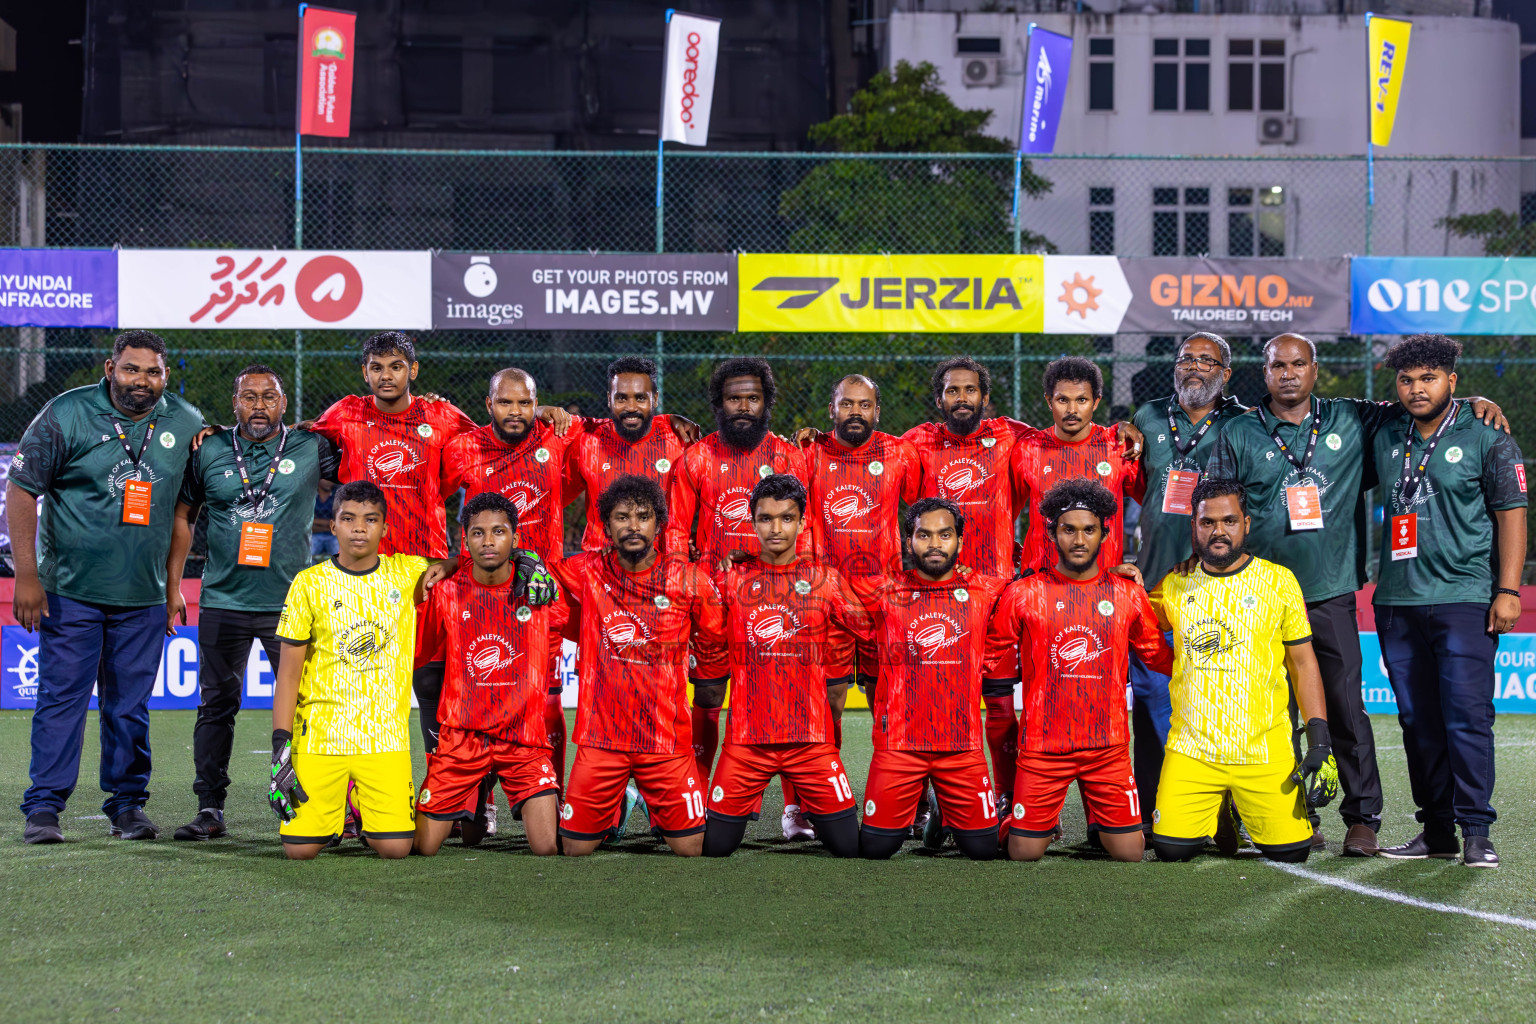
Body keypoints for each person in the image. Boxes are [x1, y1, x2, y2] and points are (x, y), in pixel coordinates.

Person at [1203, 333, 1508, 856]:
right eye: (1279, 365)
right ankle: (1288, 818)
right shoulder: (1238, 430)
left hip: (1330, 591)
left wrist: (1478, 402)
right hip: (1256, 595)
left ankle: (1362, 818)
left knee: (1346, 708)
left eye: (1300, 363)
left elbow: (1425, 402)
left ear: (1315, 369)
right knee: (1266, 712)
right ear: (1265, 371)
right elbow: (1216, 508)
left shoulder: (1355, 418)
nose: (1289, 374)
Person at [12, 330, 205, 845]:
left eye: (153, 372)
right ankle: (45, 809)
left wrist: (172, 587)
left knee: (128, 708)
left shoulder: (186, 422)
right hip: (69, 592)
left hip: (142, 598)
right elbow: (22, 491)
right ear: (109, 367)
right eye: (131, 369)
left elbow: (187, 509)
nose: (141, 380)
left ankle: (127, 806)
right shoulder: (66, 413)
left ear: (165, 375)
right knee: (62, 701)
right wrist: (26, 575)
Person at [1370, 334, 1526, 869]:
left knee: (1467, 717)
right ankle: (1435, 830)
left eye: (1428, 378)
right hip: (1395, 602)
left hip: (1464, 598)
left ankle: (1477, 832)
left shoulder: (1486, 433)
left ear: (1452, 381)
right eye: (1407, 380)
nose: (1416, 389)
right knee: (1417, 721)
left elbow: (1511, 515)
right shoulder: (1386, 430)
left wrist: (1507, 591)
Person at [167, 364, 340, 842]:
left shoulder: (312, 446)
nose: (259, 406)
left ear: (284, 403)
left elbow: (370, 462)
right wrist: (174, 584)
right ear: (235, 403)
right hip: (223, 600)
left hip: (292, 603)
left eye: (269, 397)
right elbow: (183, 515)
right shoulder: (210, 449)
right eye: (249, 397)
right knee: (217, 703)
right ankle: (210, 809)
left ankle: (317, 805)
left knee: (308, 707)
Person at [308, 332, 478, 807]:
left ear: (413, 371)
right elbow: (299, 442)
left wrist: (456, 555)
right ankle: (347, 804)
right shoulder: (345, 414)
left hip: (424, 575)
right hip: (364, 574)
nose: (387, 376)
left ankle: (446, 797)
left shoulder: (443, 417)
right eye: (377, 367)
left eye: (396, 366)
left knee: (432, 685)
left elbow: (490, 460)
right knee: (357, 688)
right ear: (365, 374)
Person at [1147, 478, 1338, 865]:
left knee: (1293, 853)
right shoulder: (1173, 585)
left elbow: (1303, 663)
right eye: (1208, 523)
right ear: (1194, 526)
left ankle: (1237, 805)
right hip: (1193, 750)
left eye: (1229, 521)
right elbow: (1132, 619)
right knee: (1170, 849)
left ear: (1246, 524)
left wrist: (1319, 737)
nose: (1219, 531)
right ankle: (1218, 812)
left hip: (1262, 750)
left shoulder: (1280, 582)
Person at [983, 479, 1172, 863]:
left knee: (1130, 853)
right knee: (1022, 852)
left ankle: (1100, 819)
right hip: (1043, 746)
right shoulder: (1024, 593)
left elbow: (1157, 657)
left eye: (1089, 529)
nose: (1079, 539)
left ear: (1105, 532)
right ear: (1052, 532)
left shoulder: (1127, 593)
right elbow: (990, 655)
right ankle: (1018, 821)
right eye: (1069, 529)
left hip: (1107, 746)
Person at [268, 480, 452, 859]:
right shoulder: (308, 584)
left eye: (371, 520)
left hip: (384, 741)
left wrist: (517, 558)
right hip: (321, 740)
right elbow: (287, 675)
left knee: (397, 848)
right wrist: (280, 749)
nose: (359, 528)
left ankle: (362, 813)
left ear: (385, 528)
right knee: (298, 853)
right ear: (332, 525)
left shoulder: (407, 573)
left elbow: (463, 565)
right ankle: (331, 816)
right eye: (348, 518)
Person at [998, 357, 1143, 820]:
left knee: (1101, 701)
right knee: (1026, 703)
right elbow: (1000, 508)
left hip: (1104, 597)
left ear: (1097, 402)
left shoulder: (1119, 446)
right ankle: (1022, 803)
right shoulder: (1024, 449)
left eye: (1082, 399)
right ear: (1049, 402)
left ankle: (1106, 813)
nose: (1072, 409)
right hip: (1038, 599)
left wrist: (1141, 564)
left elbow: (1157, 504)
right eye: (1062, 399)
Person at [552, 475, 727, 858]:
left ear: (659, 524)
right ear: (606, 525)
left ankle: (645, 797)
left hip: (664, 741)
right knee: (573, 850)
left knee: (693, 849)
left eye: (643, 517)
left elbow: (717, 638)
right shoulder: (586, 570)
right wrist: (520, 559)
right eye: (621, 517)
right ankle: (623, 798)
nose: (632, 526)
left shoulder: (687, 579)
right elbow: (539, 575)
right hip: (602, 741)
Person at [695, 475, 863, 858]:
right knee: (714, 848)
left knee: (850, 848)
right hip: (747, 742)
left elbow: (875, 630)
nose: (776, 528)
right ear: (751, 523)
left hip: (810, 741)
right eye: (766, 518)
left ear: (803, 523)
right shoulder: (729, 577)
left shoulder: (825, 580)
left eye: (787, 518)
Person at [1125, 331, 1248, 833]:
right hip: (1155, 586)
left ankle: (1231, 811)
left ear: (1226, 372)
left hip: (1218, 592)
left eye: (1207, 360)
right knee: (1153, 707)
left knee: (1221, 703)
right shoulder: (1147, 419)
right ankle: (1152, 811)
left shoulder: (1245, 422)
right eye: (1186, 359)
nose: (1195, 366)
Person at [664, 358, 808, 784]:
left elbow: (807, 528)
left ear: (766, 402)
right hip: (711, 597)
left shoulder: (788, 455)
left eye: (752, 398)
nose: (743, 406)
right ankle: (701, 791)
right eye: (733, 398)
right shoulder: (697, 457)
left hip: (775, 595)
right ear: (718, 403)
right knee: (708, 692)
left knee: (780, 692)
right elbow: (675, 529)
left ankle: (795, 806)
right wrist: (681, 582)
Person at [792, 374, 922, 840]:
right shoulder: (809, 453)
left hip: (884, 602)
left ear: (877, 411)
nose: (855, 412)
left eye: (864, 405)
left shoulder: (900, 453)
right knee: (820, 703)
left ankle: (907, 801)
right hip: (823, 599)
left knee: (892, 704)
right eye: (846, 404)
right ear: (832, 409)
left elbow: (926, 513)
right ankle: (805, 805)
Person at [442, 367, 579, 790]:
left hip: (540, 595)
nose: (515, 411)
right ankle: (478, 800)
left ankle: (548, 791)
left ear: (537, 405)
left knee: (548, 700)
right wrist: (444, 560)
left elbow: (617, 431)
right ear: (489, 405)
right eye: (505, 402)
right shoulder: (463, 448)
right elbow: (429, 496)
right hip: (477, 596)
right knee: (479, 697)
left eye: (524, 402)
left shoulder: (557, 436)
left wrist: (672, 424)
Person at [857, 497, 1009, 861]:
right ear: (908, 541)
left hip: (962, 747)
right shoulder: (882, 591)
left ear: (960, 540)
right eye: (924, 535)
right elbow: (821, 590)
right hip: (900, 746)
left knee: (984, 850)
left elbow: (1047, 593)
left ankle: (993, 816)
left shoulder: (989, 589)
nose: (935, 544)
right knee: (876, 849)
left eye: (945, 535)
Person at [415, 493, 567, 857]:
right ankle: (475, 788)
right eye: (478, 533)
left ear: (515, 539)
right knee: (422, 848)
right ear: (464, 540)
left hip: (523, 742)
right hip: (461, 742)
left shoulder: (542, 591)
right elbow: (423, 655)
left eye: (498, 532)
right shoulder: (446, 591)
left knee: (547, 847)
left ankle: (483, 792)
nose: (488, 541)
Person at [901, 358, 1032, 580]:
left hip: (996, 577)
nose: (962, 398)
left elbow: (1061, 441)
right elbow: (871, 454)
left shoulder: (1011, 434)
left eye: (970, 390)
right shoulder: (917, 440)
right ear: (939, 401)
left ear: (985, 398)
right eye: (952, 391)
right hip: (939, 577)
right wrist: (823, 440)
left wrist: (1109, 436)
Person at [566, 355, 698, 555]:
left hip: (664, 566)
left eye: (640, 398)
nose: (631, 407)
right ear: (609, 399)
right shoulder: (588, 442)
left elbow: (706, 502)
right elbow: (552, 497)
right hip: (600, 570)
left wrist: (695, 538)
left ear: (654, 398)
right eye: (621, 398)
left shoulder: (680, 441)